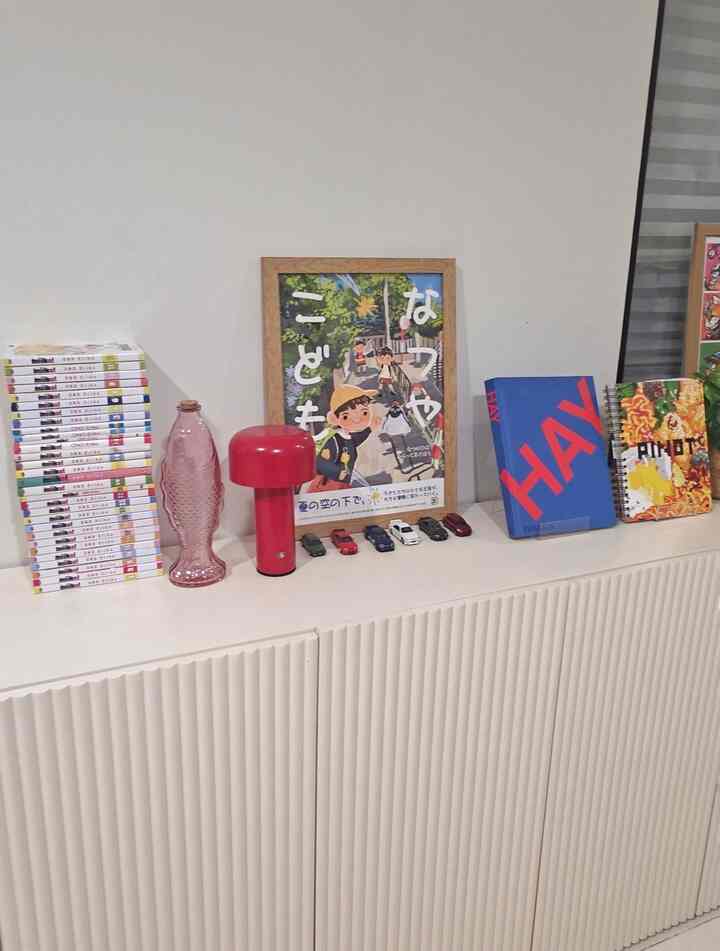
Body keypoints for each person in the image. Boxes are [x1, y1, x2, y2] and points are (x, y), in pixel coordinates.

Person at [306, 384, 381, 492]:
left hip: (342, 485)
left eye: (364, 412)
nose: (357, 420)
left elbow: (355, 440)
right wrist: (338, 473)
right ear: (334, 419)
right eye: (346, 416)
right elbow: (320, 463)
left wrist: (369, 429)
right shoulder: (334, 441)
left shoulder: (347, 437)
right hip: (328, 487)